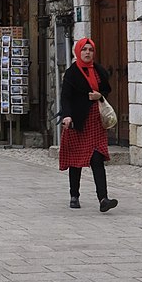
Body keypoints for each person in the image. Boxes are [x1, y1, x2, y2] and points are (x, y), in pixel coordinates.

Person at [59, 37, 118, 212]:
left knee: (97, 159)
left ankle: (103, 199)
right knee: (76, 160)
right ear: (78, 52)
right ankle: (74, 195)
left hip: (95, 121)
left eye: (90, 50)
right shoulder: (71, 73)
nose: (87, 53)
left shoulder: (99, 70)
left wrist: (99, 95)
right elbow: (66, 97)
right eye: (84, 49)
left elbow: (106, 89)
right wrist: (67, 116)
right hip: (77, 120)